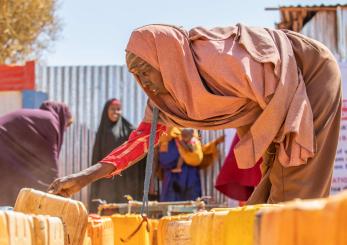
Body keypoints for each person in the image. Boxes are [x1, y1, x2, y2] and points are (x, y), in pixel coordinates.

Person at [49, 24, 341, 204]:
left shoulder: (216, 58)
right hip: (276, 104)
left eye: (146, 67)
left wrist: (280, 144)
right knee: (267, 202)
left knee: (295, 196)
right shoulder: (165, 101)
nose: (143, 80)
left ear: (165, 58)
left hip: (306, 76)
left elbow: (277, 80)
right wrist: (85, 177)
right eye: (135, 74)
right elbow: (140, 141)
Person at [0, 101, 72, 206]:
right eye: (67, 124)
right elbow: (49, 164)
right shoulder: (50, 121)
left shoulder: (40, 118)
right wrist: (56, 191)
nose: (65, 129)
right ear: (63, 117)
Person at [89, 98, 146, 212]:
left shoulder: (129, 130)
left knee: (124, 208)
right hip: (106, 178)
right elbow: (97, 157)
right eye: (112, 109)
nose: (116, 112)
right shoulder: (102, 132)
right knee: (107, 208)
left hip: (125, 179)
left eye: (118, 109)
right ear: (106, 111)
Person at [157, 127, 203, 201]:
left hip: (189, 174)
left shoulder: (190, 137)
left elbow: (196, 156)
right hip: (170, 176)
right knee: (169, 207)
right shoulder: (165, 133)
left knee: (191, 206)